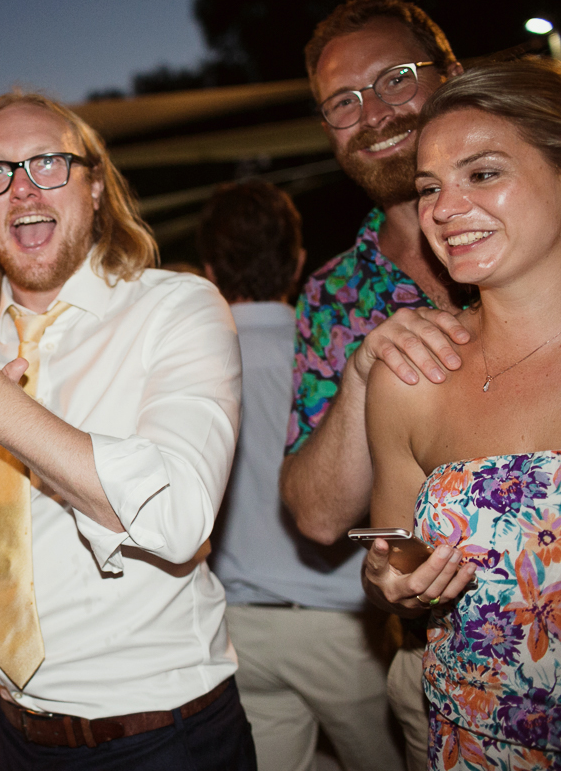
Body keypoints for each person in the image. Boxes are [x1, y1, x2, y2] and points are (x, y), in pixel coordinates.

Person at [0, 92, 254, 770]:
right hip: (13, 735)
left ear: (96, 186)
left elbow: (179, 514)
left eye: (48, 163)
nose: (21, 189)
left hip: (164, 737)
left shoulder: (175, 308)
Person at [279, 0, 478, 769]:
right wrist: (365, 365)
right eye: (343, 101)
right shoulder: (334, 297)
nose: (374, 112)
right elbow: (320, 516)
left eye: (396, 78)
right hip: (433, 668)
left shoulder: (539, 234)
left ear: (451, 74)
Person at [363, 58, 561, 769]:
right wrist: (395, 587)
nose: (444, 210)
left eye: (482, 174)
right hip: (472, 749)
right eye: (428, 188)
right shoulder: (411, 377)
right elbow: (389, 564)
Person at [200, 180, 402, 770]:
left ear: (210, 267)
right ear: (296, 260)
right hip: (341, 623)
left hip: (241, 628)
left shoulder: (195, 359)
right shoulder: (339, 346)